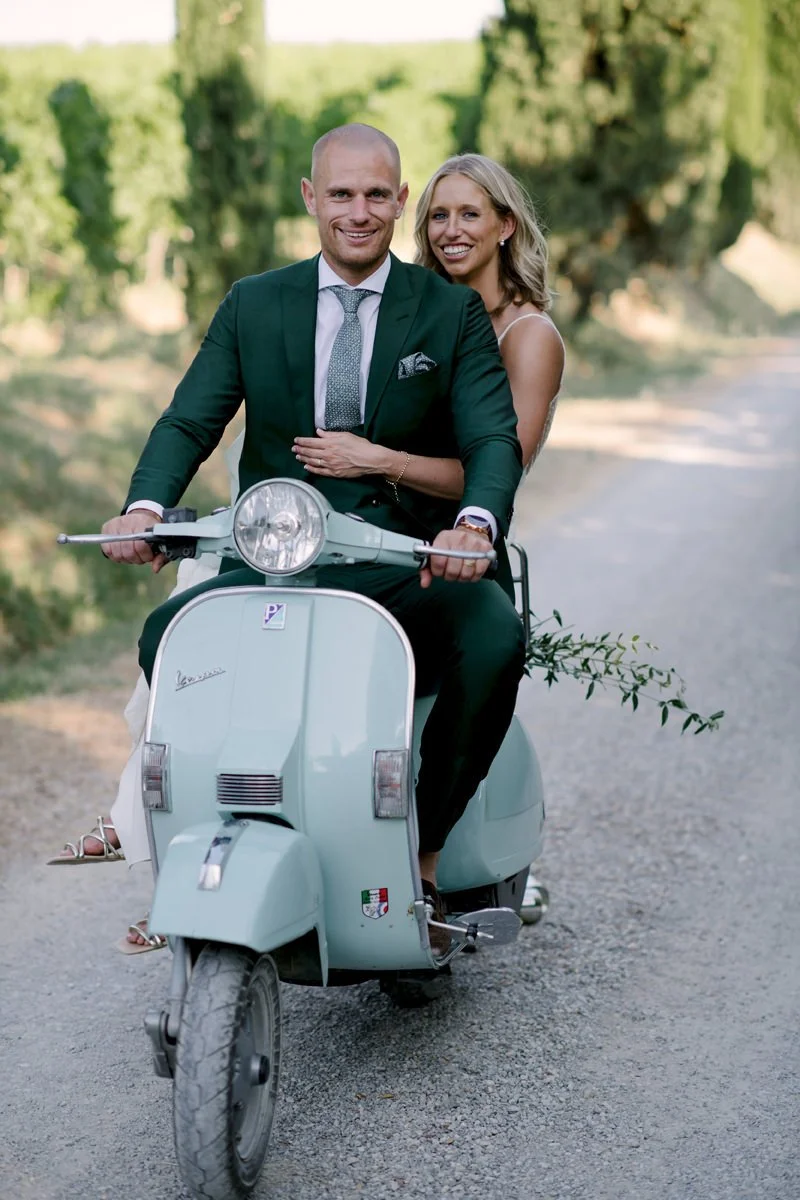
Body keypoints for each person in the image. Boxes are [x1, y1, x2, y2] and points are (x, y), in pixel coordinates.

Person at [50, 148, 564, 950]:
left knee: (494, 633)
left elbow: (494, 439)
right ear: (310, 198)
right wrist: (142, 509)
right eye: (340, 194)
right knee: (166, 636)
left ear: (397, 200)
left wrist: (473, 525)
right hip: (275, 560)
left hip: (402, 560)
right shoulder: (255, 302)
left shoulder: (449, 311)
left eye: (375, 195)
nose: (357, 212)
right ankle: (203, 843)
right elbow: (190, 418)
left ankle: (421, 857)